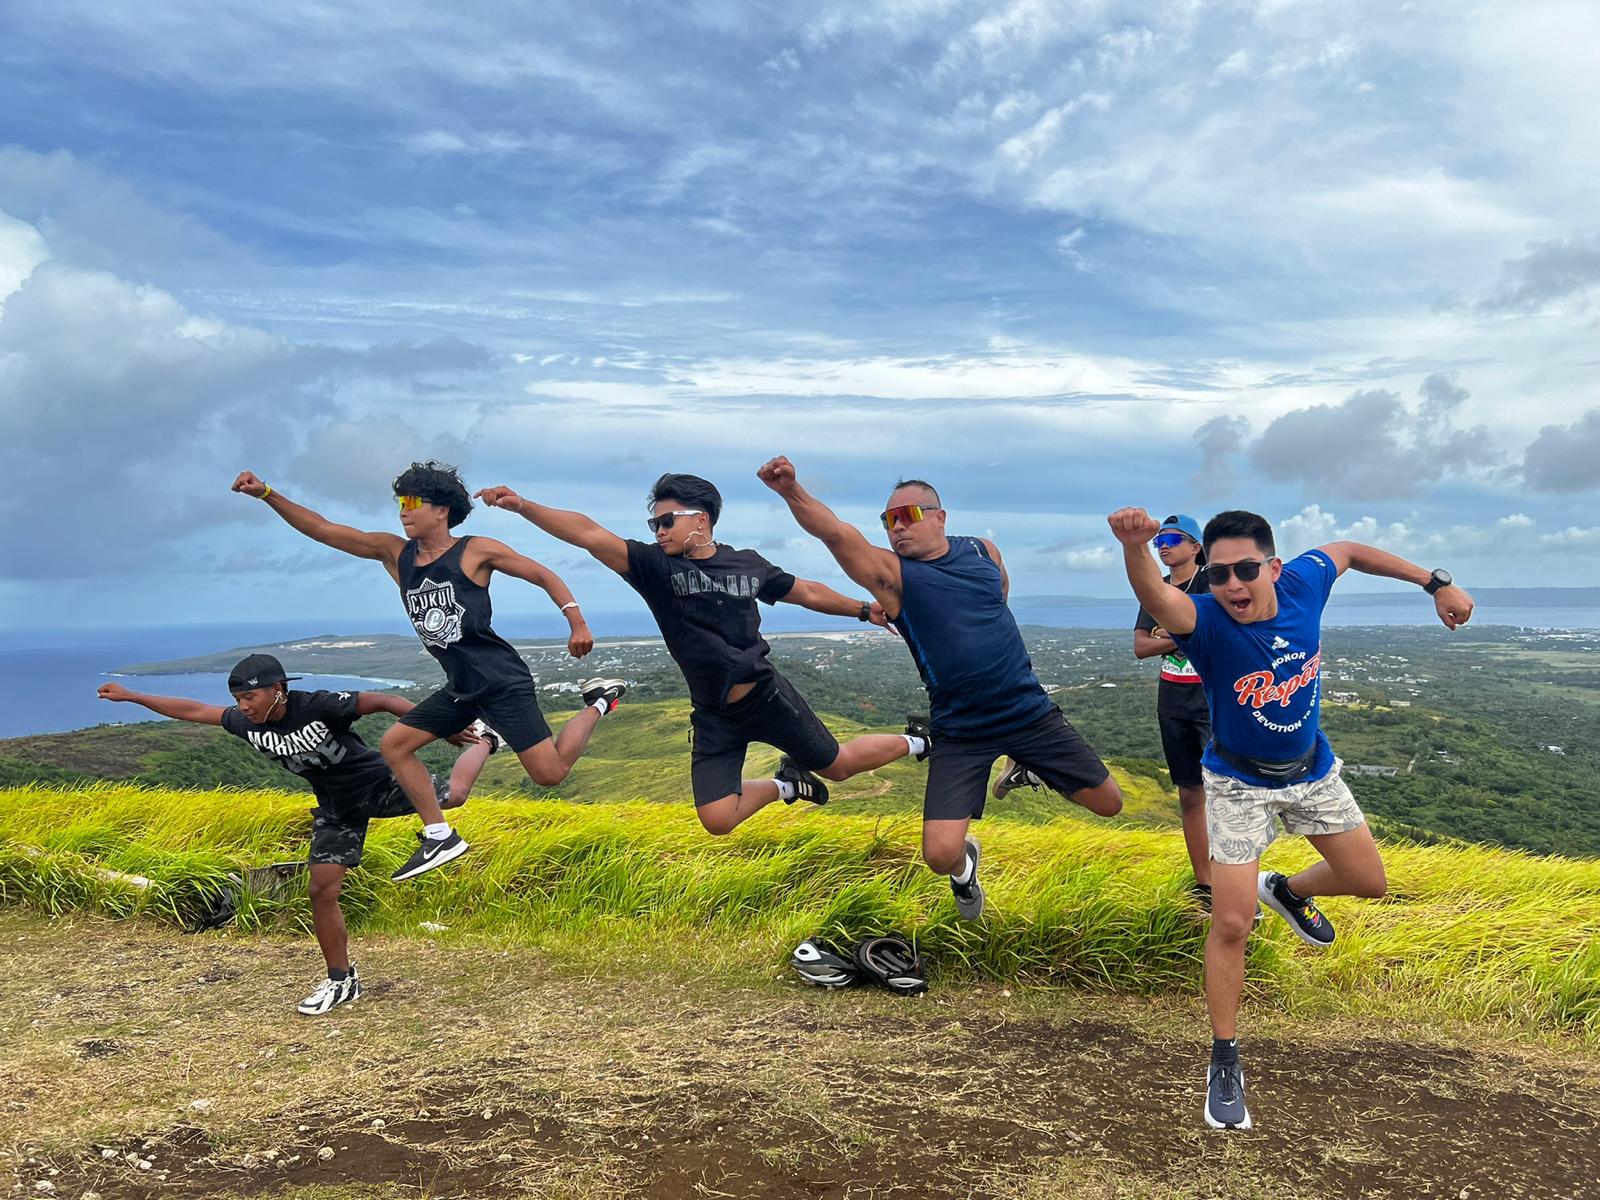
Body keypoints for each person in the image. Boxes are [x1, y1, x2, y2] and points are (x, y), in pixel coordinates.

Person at [1107, 505, 1473, 1131]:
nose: (1233, 586)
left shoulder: (1305, 583)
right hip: (1238, 783)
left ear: (1275, 567)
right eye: (1219, 575)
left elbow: (1350, 550)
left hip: (1310, 771)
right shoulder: (1209, 624)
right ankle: (1225, 1058)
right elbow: (1155, 597)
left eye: (1246, 570)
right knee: (1230, 922)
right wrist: (1135, 548)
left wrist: (1435, 583)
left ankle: (1285, 887)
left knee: (1368, 880)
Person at [758, 456, 1122, 921]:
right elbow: (836, 533)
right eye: (888, 521)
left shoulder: (983, 552)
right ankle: (966, 867)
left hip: (1030, 715)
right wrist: (791, 490)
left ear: (939, 517)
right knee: (938, 855)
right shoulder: (895, 577)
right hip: (961, 731)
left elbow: (999, 598)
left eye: (906, 516)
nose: (896, 529)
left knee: (1108, 804)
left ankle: (1028, 767)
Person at [231, 462, 625, 881]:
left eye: (413, 502)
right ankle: (440, 834)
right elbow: (324, 530)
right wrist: (267, 494)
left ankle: (601, 699)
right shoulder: (396, 554)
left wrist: (576, 621)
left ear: (442, 510)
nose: (404, 510)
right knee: (396, 744)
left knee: (550, 774)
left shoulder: (474, 551)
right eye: (401, 502)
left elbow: (543, 574)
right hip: (460, 687)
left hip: (501, 681)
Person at [473, 474, 927, 834]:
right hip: (712, 713)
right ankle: (785, 784)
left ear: (701, 520)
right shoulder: (654, 566)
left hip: (767, 698)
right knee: (717, 819)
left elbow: (803, 591)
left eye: (666, 520)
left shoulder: (747, 564)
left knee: (841, 767)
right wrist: (522, 506)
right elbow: (590, 534)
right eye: (654, 523)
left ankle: (921, 739)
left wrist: (863, 609)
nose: (659, 530)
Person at [98, 654, 498, 1015]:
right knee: (321, 891)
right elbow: (195, 709)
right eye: (238, 699)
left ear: (278, 690)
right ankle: (342, 981)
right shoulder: (244, 723)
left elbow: (382, 701)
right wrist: (133, 696)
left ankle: (487, 739)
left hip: (381, 783)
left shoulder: (317, 705)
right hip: (336, 807)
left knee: (457, 795)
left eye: (250, 697)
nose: (243, 707)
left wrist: (440, 728)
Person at [1132, 514, 1214, 903]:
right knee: (1189, 793)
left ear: (1196, 546)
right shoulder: (1157, 589)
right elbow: (1141, 647)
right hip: (1173, 701)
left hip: (1212, 699)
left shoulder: (1211, 583)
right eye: (1159, 540)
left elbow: (1215, 630)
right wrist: (1181, 634)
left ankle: (1238, 876)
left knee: (1228, 792)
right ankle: (1206, 883)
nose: (1163, 545)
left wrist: (1170, 631)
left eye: (1174, 539)